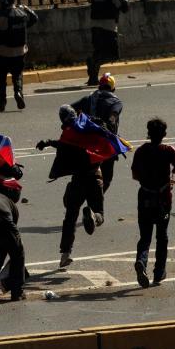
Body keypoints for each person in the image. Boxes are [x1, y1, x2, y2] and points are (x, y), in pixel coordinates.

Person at [36, 105, 106, 269]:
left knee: (70, 217)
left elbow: (61, 145)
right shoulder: (91, 127)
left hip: (78, 181)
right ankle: (94, 216)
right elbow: (106, 132)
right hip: (95, 176)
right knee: (100, 214)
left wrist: (47, 142)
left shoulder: (67, 136)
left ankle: (65, 253)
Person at [131, 117, 175, 288]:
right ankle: (159, 272)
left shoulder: (141, 151)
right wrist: (174, 171)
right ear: (164, 134)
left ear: (148, 133)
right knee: (161, 236)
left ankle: (141, 261)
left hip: (145, 197)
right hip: (163, 199)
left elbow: (135, 175)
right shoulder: (168, 150)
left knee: (145, 236)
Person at [72, 73, 124, 192]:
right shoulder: (116, 103)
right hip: (106, 145)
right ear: (113, 89)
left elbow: (68, 109)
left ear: (99, 87)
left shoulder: (88, 99)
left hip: (86, 144)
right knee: (107, 178)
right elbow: (112, 118)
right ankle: (95, 204)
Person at [0, 0, 38, 112]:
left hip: (3, 51)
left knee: (1, 78)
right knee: (17, 75)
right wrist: (26, 9)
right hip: (20, 51)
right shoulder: (22, 13)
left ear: (4, 2)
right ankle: (18, 93)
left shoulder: (0, 16)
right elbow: (34, 18)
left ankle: (1, 102)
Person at [87, 0, 129, 86]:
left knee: (98, 51)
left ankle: (92, 78)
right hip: (109, 26)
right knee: (113, 55)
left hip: (94, 26)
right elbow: (125, 7)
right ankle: (94, 62)